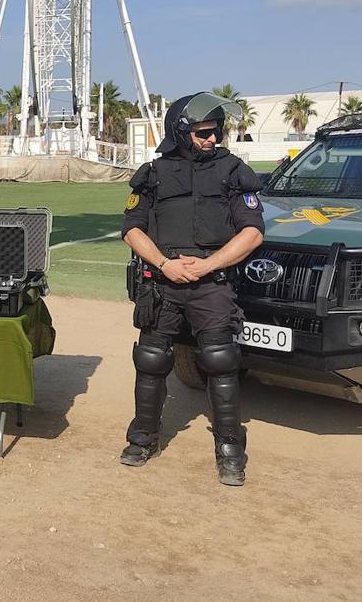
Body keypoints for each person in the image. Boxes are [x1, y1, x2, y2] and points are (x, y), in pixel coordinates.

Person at [119, 93, 264, 486]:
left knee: (220, 360)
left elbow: (252, 233)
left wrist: (209, 264)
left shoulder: (234, 171)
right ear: (181, 131)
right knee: (150, 360)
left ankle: (230, 448)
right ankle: (142, 437)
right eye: (203, 132)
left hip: (211, 282)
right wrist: (165, 264)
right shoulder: (152, 173)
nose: (212, 138)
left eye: (216, 131)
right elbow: (132, 228)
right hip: (162, 280)